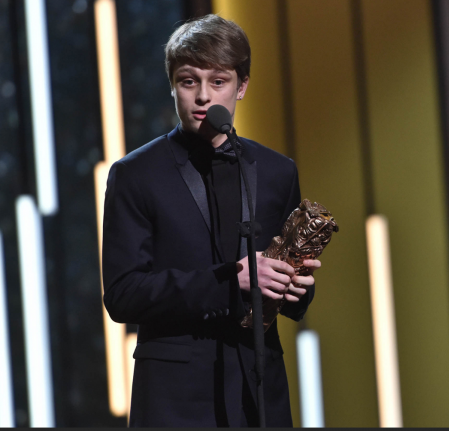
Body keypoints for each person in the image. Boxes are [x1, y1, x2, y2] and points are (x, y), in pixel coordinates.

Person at [102, 14, 320, 427]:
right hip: (174, 398)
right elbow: (123, 294)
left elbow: (288, 297)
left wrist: (297, 288)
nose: (203, 96)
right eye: (189, 81)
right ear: (173, 86)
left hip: (259, 392)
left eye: (218, 81)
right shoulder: (135, 174)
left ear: (242, 86)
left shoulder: (278, 171)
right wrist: (229, 279)